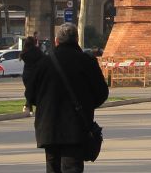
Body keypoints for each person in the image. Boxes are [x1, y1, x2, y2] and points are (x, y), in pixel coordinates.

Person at [24, 22, 109, 173]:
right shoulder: (87, 61)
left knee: (52, 168)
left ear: (57, 41)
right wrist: (87, 105)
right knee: (72, 168)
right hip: (76, 127)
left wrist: (44, 106)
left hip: (49, 127)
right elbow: (102, 93)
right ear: (76, 40)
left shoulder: (44, 63)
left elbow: (30, 93)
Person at [21, 35, 44, 116]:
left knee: (29, 90)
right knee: (35, 91)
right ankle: (28, 106)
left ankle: (28, 107)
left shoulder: (24, 51)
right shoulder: (37, 51)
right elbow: (43, 59)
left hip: (26, 74)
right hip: (35, 74)